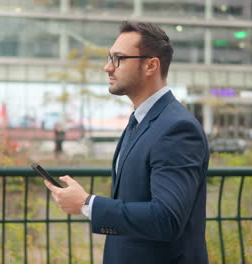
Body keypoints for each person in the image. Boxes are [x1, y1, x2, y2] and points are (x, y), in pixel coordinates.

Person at [44, 21, 210, 264]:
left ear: (151, 65)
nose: (107, 67)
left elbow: (167, 218)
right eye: (109, 57)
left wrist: (87, 204)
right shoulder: (141, 120)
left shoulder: (177, 128)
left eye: (118, 59)